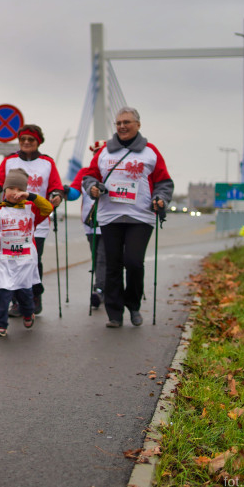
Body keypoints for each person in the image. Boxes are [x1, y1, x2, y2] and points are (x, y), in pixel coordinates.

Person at [83, 107, 173, 328]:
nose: (122, 126)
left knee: (133, 262)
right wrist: (93, 187)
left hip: (140, 217)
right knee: (112, 265)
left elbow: (164, 182)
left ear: (138, 125)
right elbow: (89, 176)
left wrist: (160, 198)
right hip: (110, 216)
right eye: (119, 123)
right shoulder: (104, 152)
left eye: (127, 122)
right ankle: (115, 314)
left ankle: (133, 305)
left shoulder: (150, 151)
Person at [0, 124, 63, 316]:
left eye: (31, 140)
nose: (26, 143)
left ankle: (34, 297)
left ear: (38, 142)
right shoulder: (10, 160)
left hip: (36, 222)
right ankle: (17, 302)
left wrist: (57, 196)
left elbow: (56, 187)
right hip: (11, 222)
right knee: (11, 261)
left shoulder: (47, 163)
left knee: (32, 260)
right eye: (23, 139)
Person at [0, 168, 54, 335]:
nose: (15, 192)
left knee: (24, 294)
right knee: (4, 293)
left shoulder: (31, 208)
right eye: (11, 188)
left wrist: (31, 196)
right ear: (5, 190)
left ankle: (28, 313)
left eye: (19, 189)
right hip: (5, 260)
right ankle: (0, 324)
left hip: (25, 261)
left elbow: (48, 208)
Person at [71, 141, 108, 309]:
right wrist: (63, 191)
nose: (98, 155)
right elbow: (74, 193)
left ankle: (100, 290)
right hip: (91, 224)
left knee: (102, 258)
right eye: (95, 152)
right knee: (97, 258)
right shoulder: (85, 172)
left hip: (110, 222)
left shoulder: (113, 171)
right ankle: (104, 287)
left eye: (101, 152)